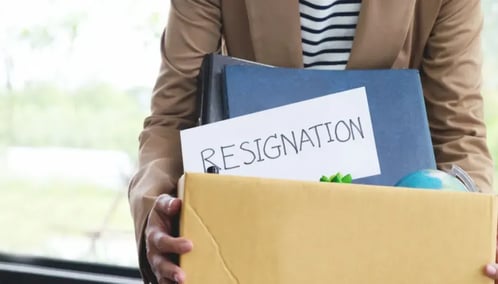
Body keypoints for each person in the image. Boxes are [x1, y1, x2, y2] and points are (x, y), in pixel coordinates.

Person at [128, 0, 496, 283]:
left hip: (389, 248)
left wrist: (482, 228)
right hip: (253, 238)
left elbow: (457, 131)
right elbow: (172, 118)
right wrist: (153, 216)